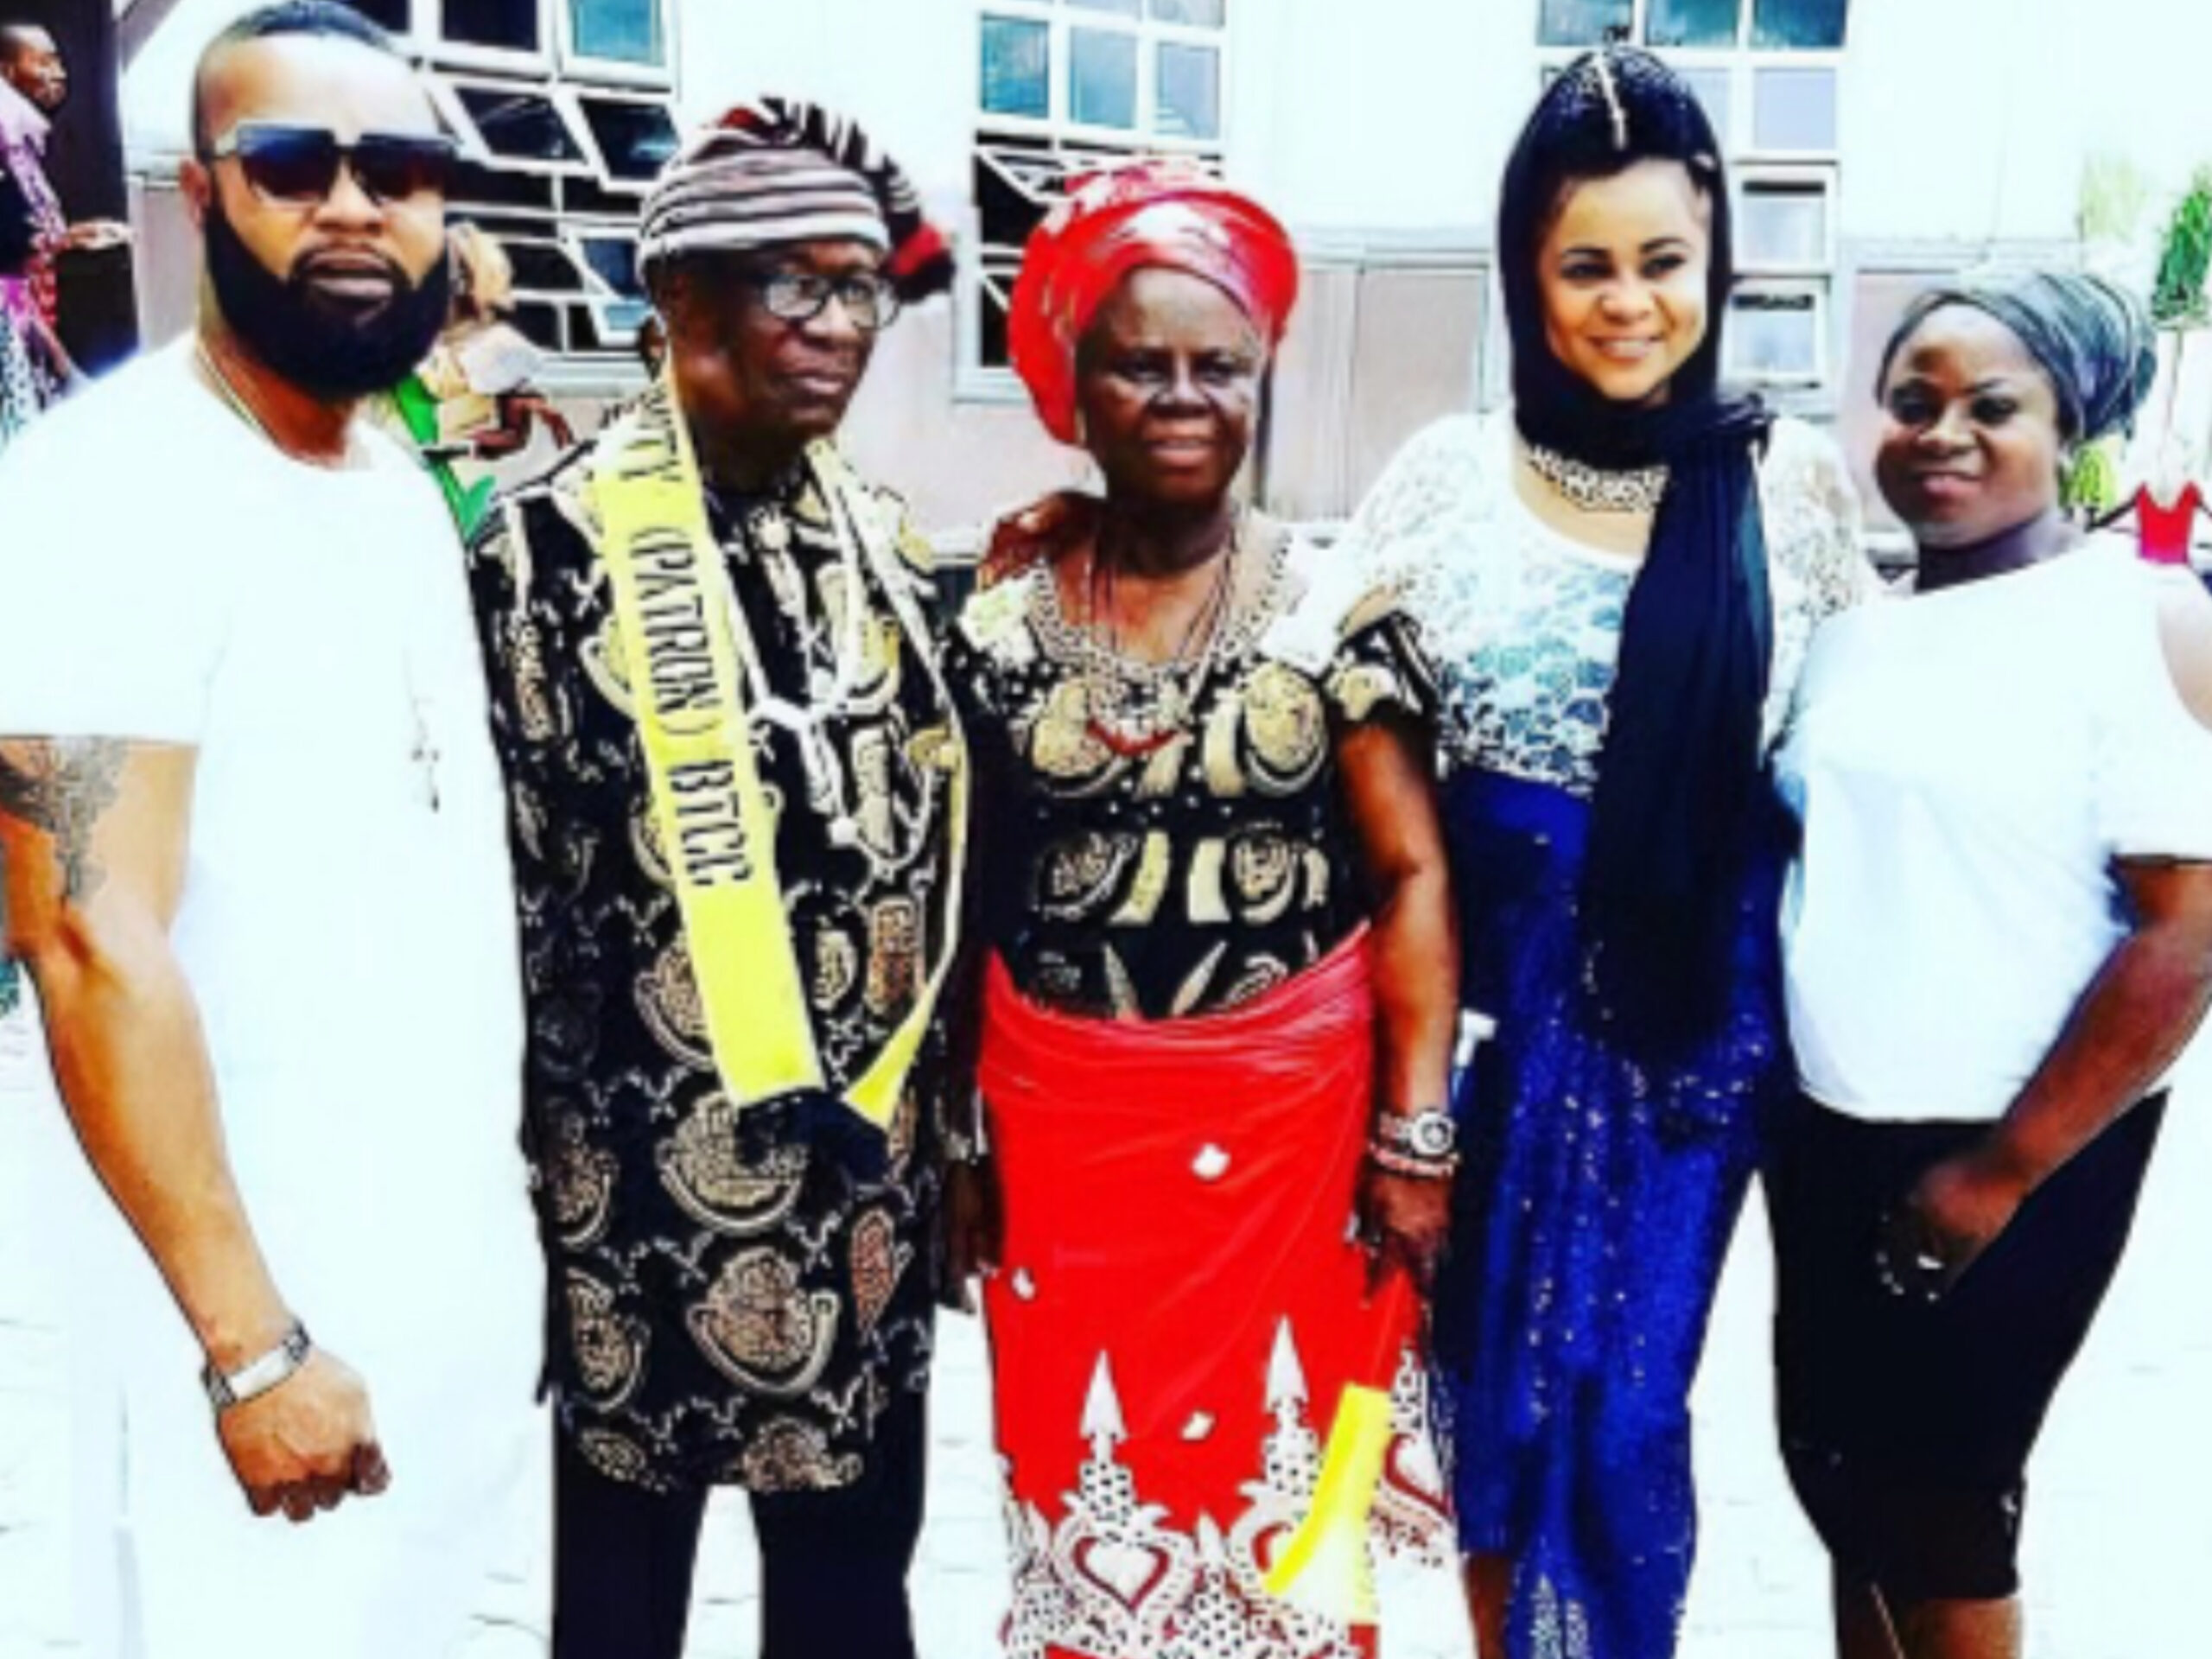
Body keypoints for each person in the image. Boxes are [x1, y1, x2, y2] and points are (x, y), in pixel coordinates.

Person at [0, 6, 542, 1656]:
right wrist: (250, 1347)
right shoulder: (112, 492)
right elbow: (86, 933)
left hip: (430, 1299)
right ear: (196, 197)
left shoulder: (385, 474)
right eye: (296, 166)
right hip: (238, 1327)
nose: (356, 207)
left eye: (403, 169)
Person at [1340, 47, 1873, 1659]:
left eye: (1665, 262)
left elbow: (1852, 764)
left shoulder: (1787, 487)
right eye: (1586, 265)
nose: (1628, 303)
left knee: (1628, 1419)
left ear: (1717, 265)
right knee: (1490, 1419)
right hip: (1487, 1028)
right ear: (1527, 271)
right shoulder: (1445, 483)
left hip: (1690, 1047)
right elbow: (1325, 728)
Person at [464, 96, 960, 1659]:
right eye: (793, 285)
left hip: (858, 1194)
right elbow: (500, 893)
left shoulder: (879, 535)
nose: (839, 326)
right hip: (635, 1207)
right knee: (620, 1602)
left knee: (852, 1591)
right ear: (678, 296)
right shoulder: (538, 552)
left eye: (862, 287)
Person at [944, 162, 1457, 1659]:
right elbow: (973, 890)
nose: (1183, 395)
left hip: (1296, 1151)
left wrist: (1416, 1137)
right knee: (1080, 1471)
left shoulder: (1334, 597)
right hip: (1065, 1140)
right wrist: (959, 1141)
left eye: (1219, 366)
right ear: (1074, 389)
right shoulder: (1001, 619)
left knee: (1298, 1503)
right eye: (1140, 364)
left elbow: (1413, 872)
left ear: (1261, 386)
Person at [1770, 270, 2212, 1659]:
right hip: (1828, 1133)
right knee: (1841, 1482)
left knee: (1947, 1506)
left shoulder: (2139, 618)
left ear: (2066, 424)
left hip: (2019, 1150)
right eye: (1912, 403)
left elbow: (2187, 928)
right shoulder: (1851, 635)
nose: (1941, 434)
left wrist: (2003, 1171)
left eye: (1989, 406)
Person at [375, 220, 574, 535]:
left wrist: (459, 449)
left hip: (470, 506)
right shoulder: (391, 351)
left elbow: (514, 437)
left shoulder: (499, 349)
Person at [0, 21, 124, 442]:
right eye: (44, 61)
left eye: (59, 61)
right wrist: (65, 369)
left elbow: (19, 236)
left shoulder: (22, 140)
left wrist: (67, 237)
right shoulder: (9, 128)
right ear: (7, 69)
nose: (60, 73)